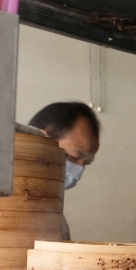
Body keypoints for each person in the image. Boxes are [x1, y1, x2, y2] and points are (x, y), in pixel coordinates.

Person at [28, 101, 101, 240]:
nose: (79, 171)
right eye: (74, 156)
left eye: (86, 163)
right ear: (41, 138)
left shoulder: (56, 217)